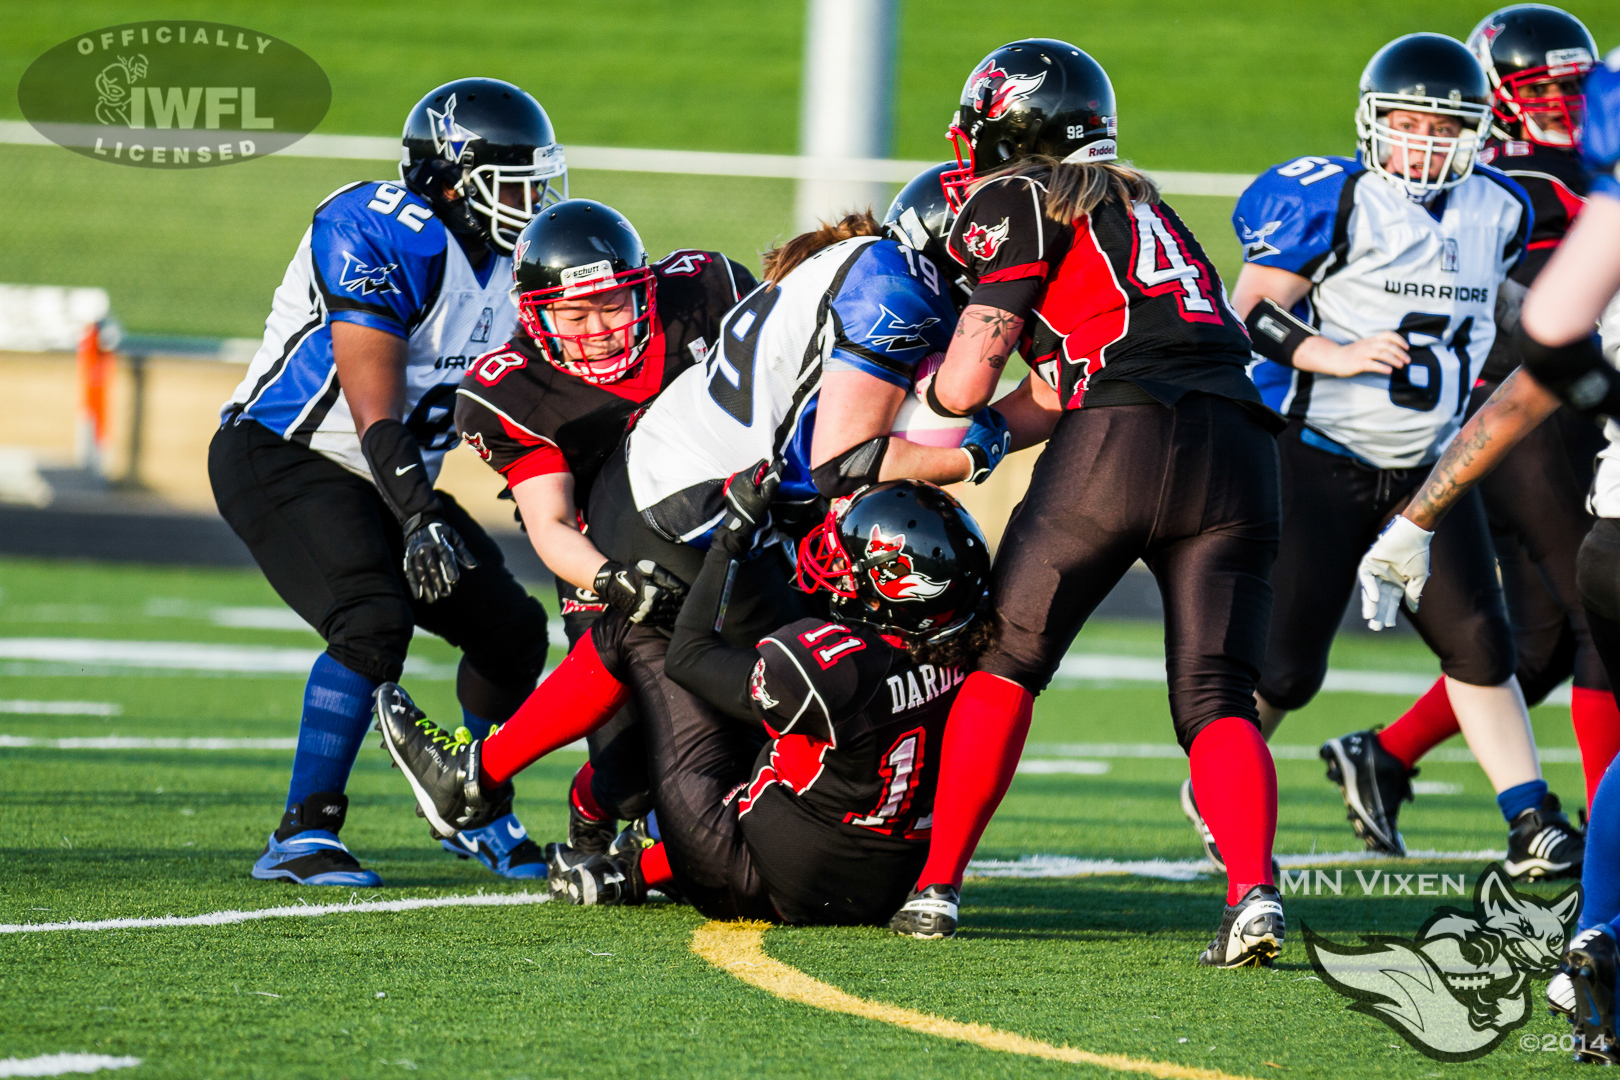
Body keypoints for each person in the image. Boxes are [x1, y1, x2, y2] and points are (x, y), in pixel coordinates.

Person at [891, 39, 1288, 968]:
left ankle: (937, 885)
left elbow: (976, 366)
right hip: (1238, 449)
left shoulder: (1015, 195)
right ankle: (1252, 891)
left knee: (1007, 659)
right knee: (1216, 694)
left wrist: (939, 417)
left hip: (1118, 445)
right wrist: (996, 431)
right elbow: (1079, 366)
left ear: (1007, 130)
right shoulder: (1145, 206)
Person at [1212, 31, 1584, 881]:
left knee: (1479, 644)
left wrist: (1570, 326)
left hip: (1426, 468)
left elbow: (1499, 307)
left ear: (1477, 133)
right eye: (1407, 123)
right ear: (1372, 123)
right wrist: (1330, 353)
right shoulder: (1332, 198)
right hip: (1315, 452)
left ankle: (1531, 818)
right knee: (1289, 668)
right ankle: (1221, 787)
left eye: (1443, 126)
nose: (1423, 141)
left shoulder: (1500, 206)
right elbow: (1253, 313)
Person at [209, 78, 564, 885]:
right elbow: (374, 410)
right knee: (371, 619)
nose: (533, 201)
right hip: (288, 454)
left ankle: (473, 803)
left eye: (539, 182)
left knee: (511, 631)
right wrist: (416, 515)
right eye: (514, 183)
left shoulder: (512, 264)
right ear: (448, 179)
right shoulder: (379, 227)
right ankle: (303, 834)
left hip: (390, 475)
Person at [369, 472, 993, 925]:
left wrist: (728, 545)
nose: (834, 560)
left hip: (752, 873)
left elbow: (688, 658)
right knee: (791, 771)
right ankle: (627, 869)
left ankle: (474, 777)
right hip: (878, 887)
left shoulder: (830, 662)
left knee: (638, 626)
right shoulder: (977, 659)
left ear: (894, 587)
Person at [1357, 47, 1620, 1061]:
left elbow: (1542, 345)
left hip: (1612, 530)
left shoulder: (1588, 214)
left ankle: (1595, 937)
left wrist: (1417, 517)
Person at [1314, 5, 1612, 863]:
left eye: (1570, 93)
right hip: (1524, 413)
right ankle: (1604, 843)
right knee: (1597, 619)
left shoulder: (1488, 179)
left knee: (1539, 637)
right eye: (1540, 92)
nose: (1558, 110)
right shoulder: (1536, 182)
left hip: (1481, 419)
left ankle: (1385, 754)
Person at [453, 199, 757, 856]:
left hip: (735, 533)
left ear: (645, 290)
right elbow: (551, 521)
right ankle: (594, 803)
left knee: (741, 717)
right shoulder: (517, 391)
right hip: (613, 555)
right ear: (537, 317)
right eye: (575, 313)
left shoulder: (709, 292)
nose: (599, 329)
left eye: (613, 306)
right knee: (628, 773)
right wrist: (609, 579)